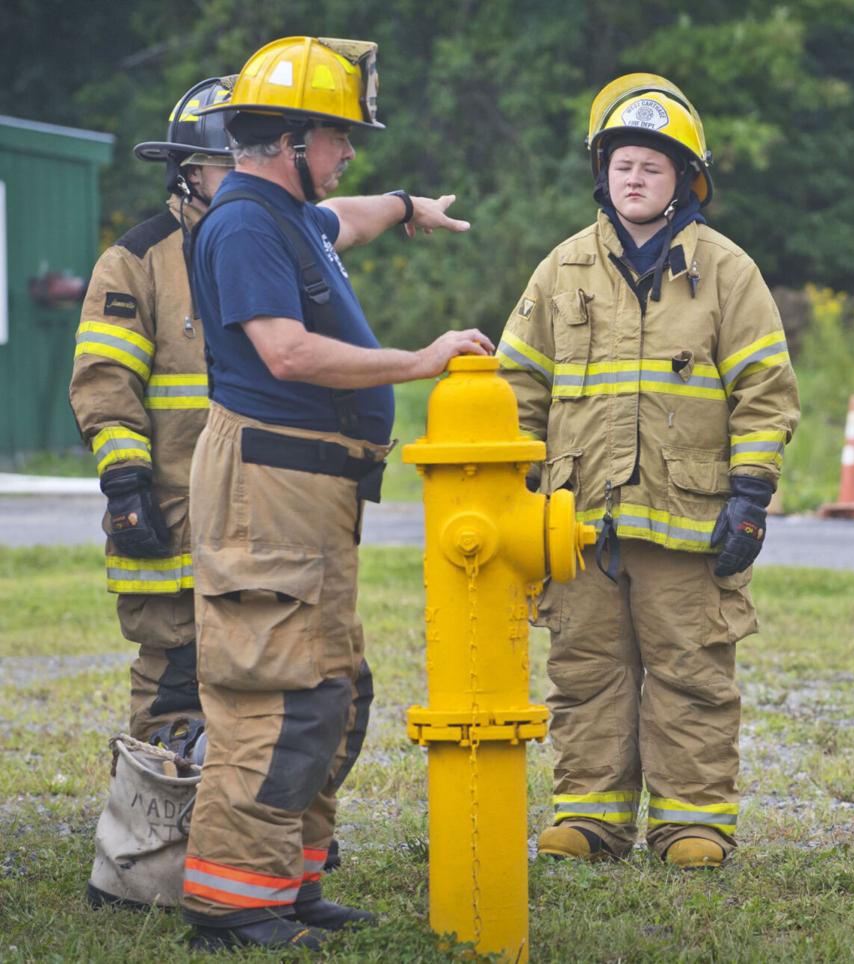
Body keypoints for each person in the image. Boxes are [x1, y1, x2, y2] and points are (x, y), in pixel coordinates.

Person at [177, 36, 492, 951]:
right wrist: (421, 360)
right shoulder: (242, 225)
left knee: (328, 687)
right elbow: (286, 350)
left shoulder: (286, 216)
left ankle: (292, 882)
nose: (349, 154)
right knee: (272, 690)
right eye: (339, 138)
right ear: (291, 141)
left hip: (310, 491)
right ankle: (233, 906)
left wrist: (404, 208)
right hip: (270, 485)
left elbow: (342, 218)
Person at [498, 73, 800, 870]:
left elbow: (766, 392)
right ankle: (589, 820)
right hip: (577, 520)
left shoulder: (728, 272)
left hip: (688, 520)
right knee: (585, 668)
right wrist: (517, 499)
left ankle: (691, 824)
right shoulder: (560, 271)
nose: (635, 179)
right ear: (603, 174)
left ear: (684, 182)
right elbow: (516, 390)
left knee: (690, 669)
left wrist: (751, 494)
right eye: (623, 164)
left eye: (653, 167)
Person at [71, 73, 234, 911]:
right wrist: (125, 483)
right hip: (165, 520)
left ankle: (240, 852)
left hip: (258, 519)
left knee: (258, 688)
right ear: (185, 170)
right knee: (173, 683)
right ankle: (140, 867)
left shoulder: (275, 250)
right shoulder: (135, 260)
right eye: (220, 161)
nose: (235, 173)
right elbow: (105, 380)